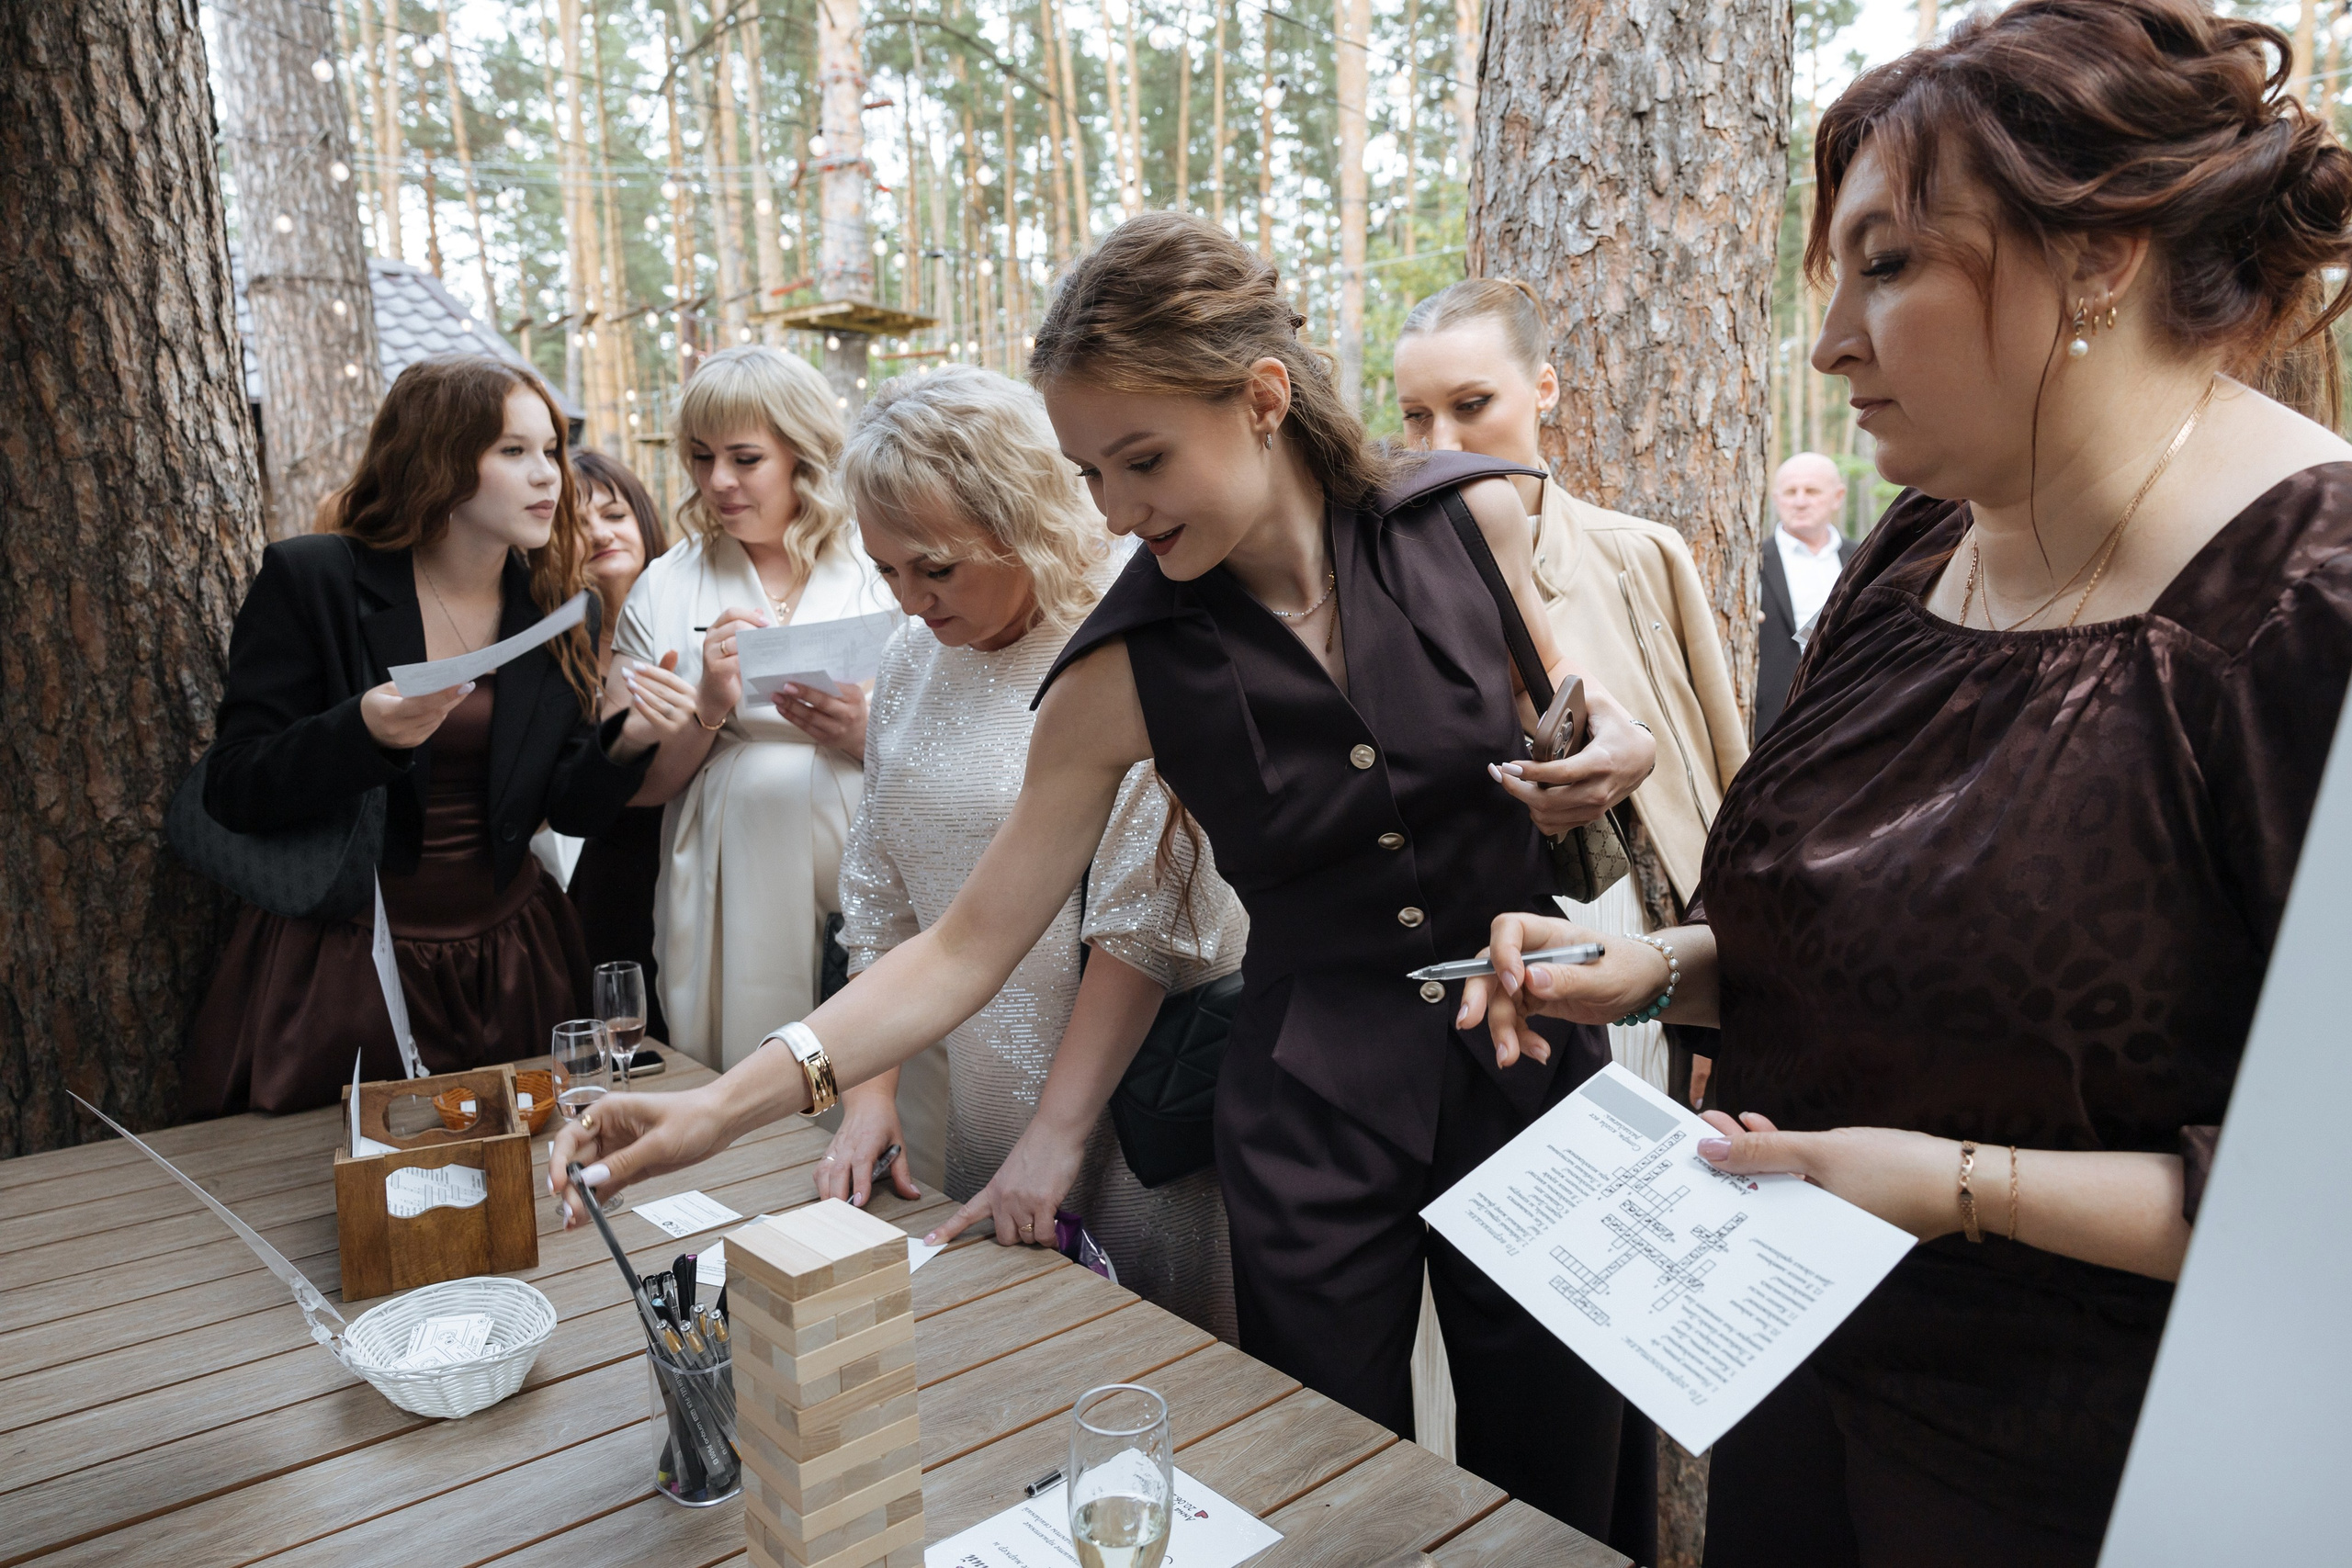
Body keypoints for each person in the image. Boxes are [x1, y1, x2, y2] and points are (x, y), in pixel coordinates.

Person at [552, 213, 1661, 1550]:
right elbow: (962, 947)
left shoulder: (1470, 516)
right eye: (1090, 473)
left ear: (1261, 399)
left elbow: (1569, 717)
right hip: (1311, 1117)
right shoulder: (1122, 667)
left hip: (1535, 1069)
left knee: (1568, 1477)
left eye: (1144, 460)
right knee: (1337, 1485)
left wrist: (1608, 748)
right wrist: (719, 1107)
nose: (1118, 512)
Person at [1465, 3, 2352, 1562]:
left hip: (2103, 1465)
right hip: (1806, 1377)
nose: (1830, 343)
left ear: (2100, 255)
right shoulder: (1922, 541)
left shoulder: (2305, 603)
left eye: (1889, 266)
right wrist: (1666, 964)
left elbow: (2319, 1191)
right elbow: (1889, 919)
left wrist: (1958, 1187)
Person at [813, 365, 1247, 1340]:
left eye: (936, 567)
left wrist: (1060, 1138)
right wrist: (866, 1094)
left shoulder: (1126, 637)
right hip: (986, 1105)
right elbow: (878, 895)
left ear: (1020, 519)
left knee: (1154, 1376)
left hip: (1132, 1110)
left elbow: (1146, 927)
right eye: (886, 571)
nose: (912, 599)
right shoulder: (911, 657)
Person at [183, 355, 661, 1115]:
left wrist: (627, 739)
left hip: (514, 960)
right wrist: (362, 730)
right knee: (352, 1199)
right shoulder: (315, 579)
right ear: (438, 459)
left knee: (537, 1189)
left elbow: (566, 810)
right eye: (514, 451)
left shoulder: (559, 605)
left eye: (551, 451)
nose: (550, 477)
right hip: (346, 967)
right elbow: (234, 786)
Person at [1395, 276, 1748, 1095]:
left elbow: (1725, 784)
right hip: (1479, 974)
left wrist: (1715, 998)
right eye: (1417, 415)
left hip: (1641, 954)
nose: (1441, 440)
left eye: (1472, 403)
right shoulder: (1382, 585)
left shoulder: (1641, 556)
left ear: (1544, 387)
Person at [605, 345, 893, 1069]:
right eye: (701, 458)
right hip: (727, 874)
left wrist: (864, 733)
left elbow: (959, 730)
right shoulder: (665, 587)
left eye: (744, 458)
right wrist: (709, 705)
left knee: (877, 1061)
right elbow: (634, 788)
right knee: (747, 1065)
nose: (718, 482)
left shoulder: (882, 562)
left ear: (803, 453)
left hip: (870, 860)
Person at [567, 448, 673, 1042]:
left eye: (613, 514)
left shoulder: (689, 611)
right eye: (578, 525)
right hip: (612, 872)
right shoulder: (557, 652)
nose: (600, 534)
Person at [1756, 452, 1852, 737]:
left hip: (1850, 710)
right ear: (1776, 499)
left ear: (1838, 496)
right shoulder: (1750, 561)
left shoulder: (1866, 558)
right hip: (1772, 720)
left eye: (1811, 490)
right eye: (1790, 492)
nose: (1800, 501)